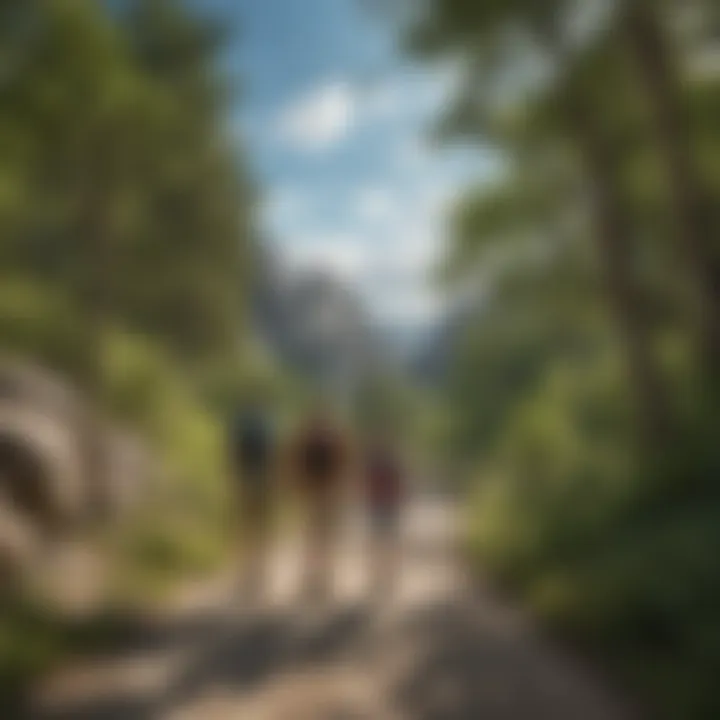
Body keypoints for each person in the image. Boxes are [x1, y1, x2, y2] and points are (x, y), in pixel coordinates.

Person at [287, 408, 349, 601]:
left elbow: (296, 464)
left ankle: (313, 574)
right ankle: (325, 574)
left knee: (313, 533)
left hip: (312, 491)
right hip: (328, 492)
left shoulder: (306, 440)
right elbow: (343, 465)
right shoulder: (334, 440)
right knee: (325, 534)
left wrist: (298, 485)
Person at [228, 400, 275, 598]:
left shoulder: (242, 428)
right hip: (261, 481)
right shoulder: (266, 428)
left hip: (245, 481)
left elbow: (234, 455)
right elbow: (272, 456)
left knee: (245, 528)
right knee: (260, 527)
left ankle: (246, 572)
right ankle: (258, 571)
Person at [363, 436, 405, 597]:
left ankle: (379, 575)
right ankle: (386, 575)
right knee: (387, 542)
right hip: (386, 506)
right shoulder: (390, 465)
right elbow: (399, 484)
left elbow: (365, 484)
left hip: (379, 506)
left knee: (379, 543)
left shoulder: (374, 465)